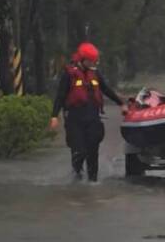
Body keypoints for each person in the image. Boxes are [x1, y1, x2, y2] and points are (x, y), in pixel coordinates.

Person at [50, 42, 126, 182]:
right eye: (91, 60)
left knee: (92, 151)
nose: (93, 63)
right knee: (79, 151)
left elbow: (106, 90)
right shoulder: (69, 74)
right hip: (75, 119)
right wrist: (54, 116)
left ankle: (92, 182)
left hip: (92, 118)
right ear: (82, 59)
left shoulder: (95, 73)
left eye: (94, 61)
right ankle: (77, 178)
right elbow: (60, 96)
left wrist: (121, 104)